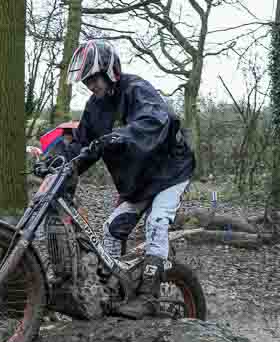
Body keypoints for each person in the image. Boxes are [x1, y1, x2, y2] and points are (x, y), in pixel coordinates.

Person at [65, 39, 196, 319]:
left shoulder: (137, 90)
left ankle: (149, 296)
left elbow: (155, 121)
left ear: (110, 70)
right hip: (138, 183)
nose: (91, 85)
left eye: (94, 78)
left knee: (156, 223)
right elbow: (82, 146)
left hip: (170, 172)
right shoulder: (94, 108)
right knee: (111, 229)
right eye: (87, 81)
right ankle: (114, 291)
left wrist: (119, 136)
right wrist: (59, 161)